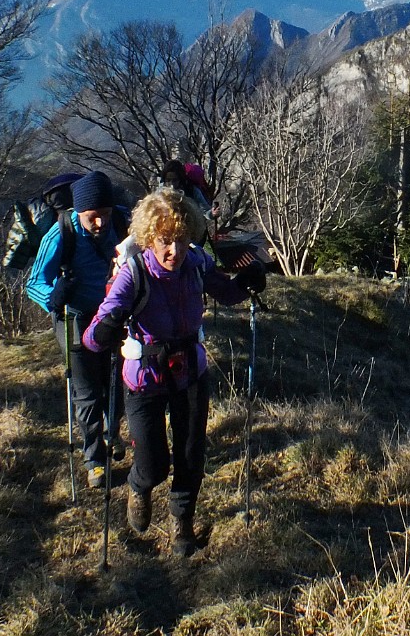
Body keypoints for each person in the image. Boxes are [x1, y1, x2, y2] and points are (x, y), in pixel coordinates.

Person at [83, 186, 265, 557]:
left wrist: (247, 283)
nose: (174, 251)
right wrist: (106, 327)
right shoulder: (134, 273)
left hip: (190, 370)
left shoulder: (196, 263)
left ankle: (181, 524)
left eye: (181, 241)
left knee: (190, 455)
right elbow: (95, 335)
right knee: (153, 463)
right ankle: (140, 485)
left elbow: (226, 293)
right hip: (145, 377)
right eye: (166, 241)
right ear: (150, 237)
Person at [26, 170, 125, 488]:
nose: (100, 224)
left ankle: (113, 434)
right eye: (93, 217)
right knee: (86, 391)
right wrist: (53, 296)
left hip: (110, 313)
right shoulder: (60, 234)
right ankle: (94, 460)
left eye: (105, 215)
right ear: (79, 212)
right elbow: (34, 283)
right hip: (74, 317)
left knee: (116, 379)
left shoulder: (119, 225)